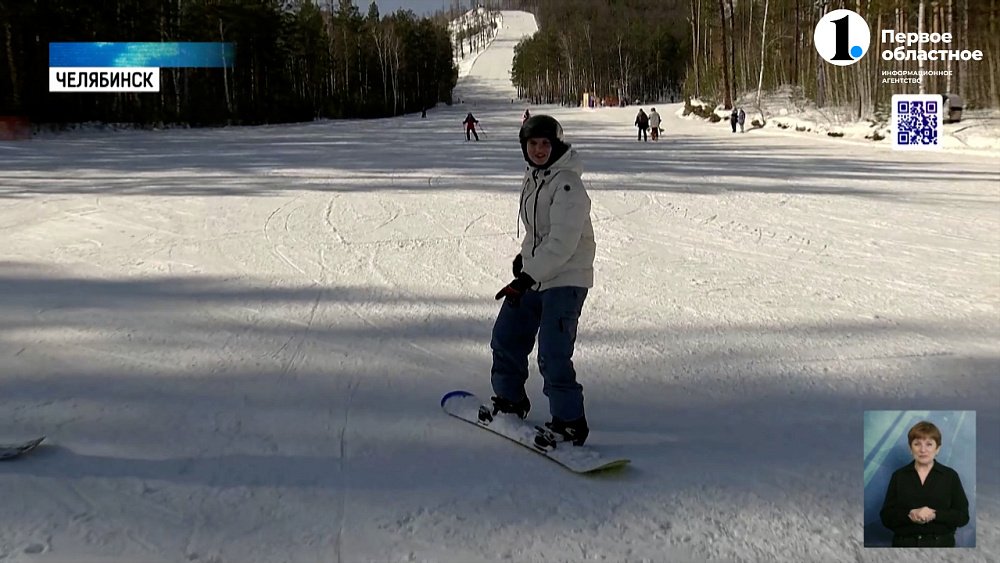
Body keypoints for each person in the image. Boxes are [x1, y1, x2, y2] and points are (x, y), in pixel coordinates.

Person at [480, 114, 596, 450]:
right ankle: (510, 401)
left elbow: (562, 242)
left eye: (546, 143)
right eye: (533, 143)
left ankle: (570, 423)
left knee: (552, 353)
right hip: (537, 273)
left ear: (556, 144)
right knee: (507, 336)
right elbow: (538, 233)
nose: (540, 149)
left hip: (566, 277)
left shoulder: (568, 185)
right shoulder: (534, 177)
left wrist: (527, 275)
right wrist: (524, 260)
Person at [879, 421, 970, 547]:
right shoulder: (898, 476)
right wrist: (910, 514)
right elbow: (886, 517)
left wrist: (935, 515)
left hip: (941, 544)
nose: (923, 450)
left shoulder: (950, 476)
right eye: (917, 444)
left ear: (937, 449)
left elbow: (963, 517)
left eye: (929, 444)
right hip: (904, 544)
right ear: (910, 448)